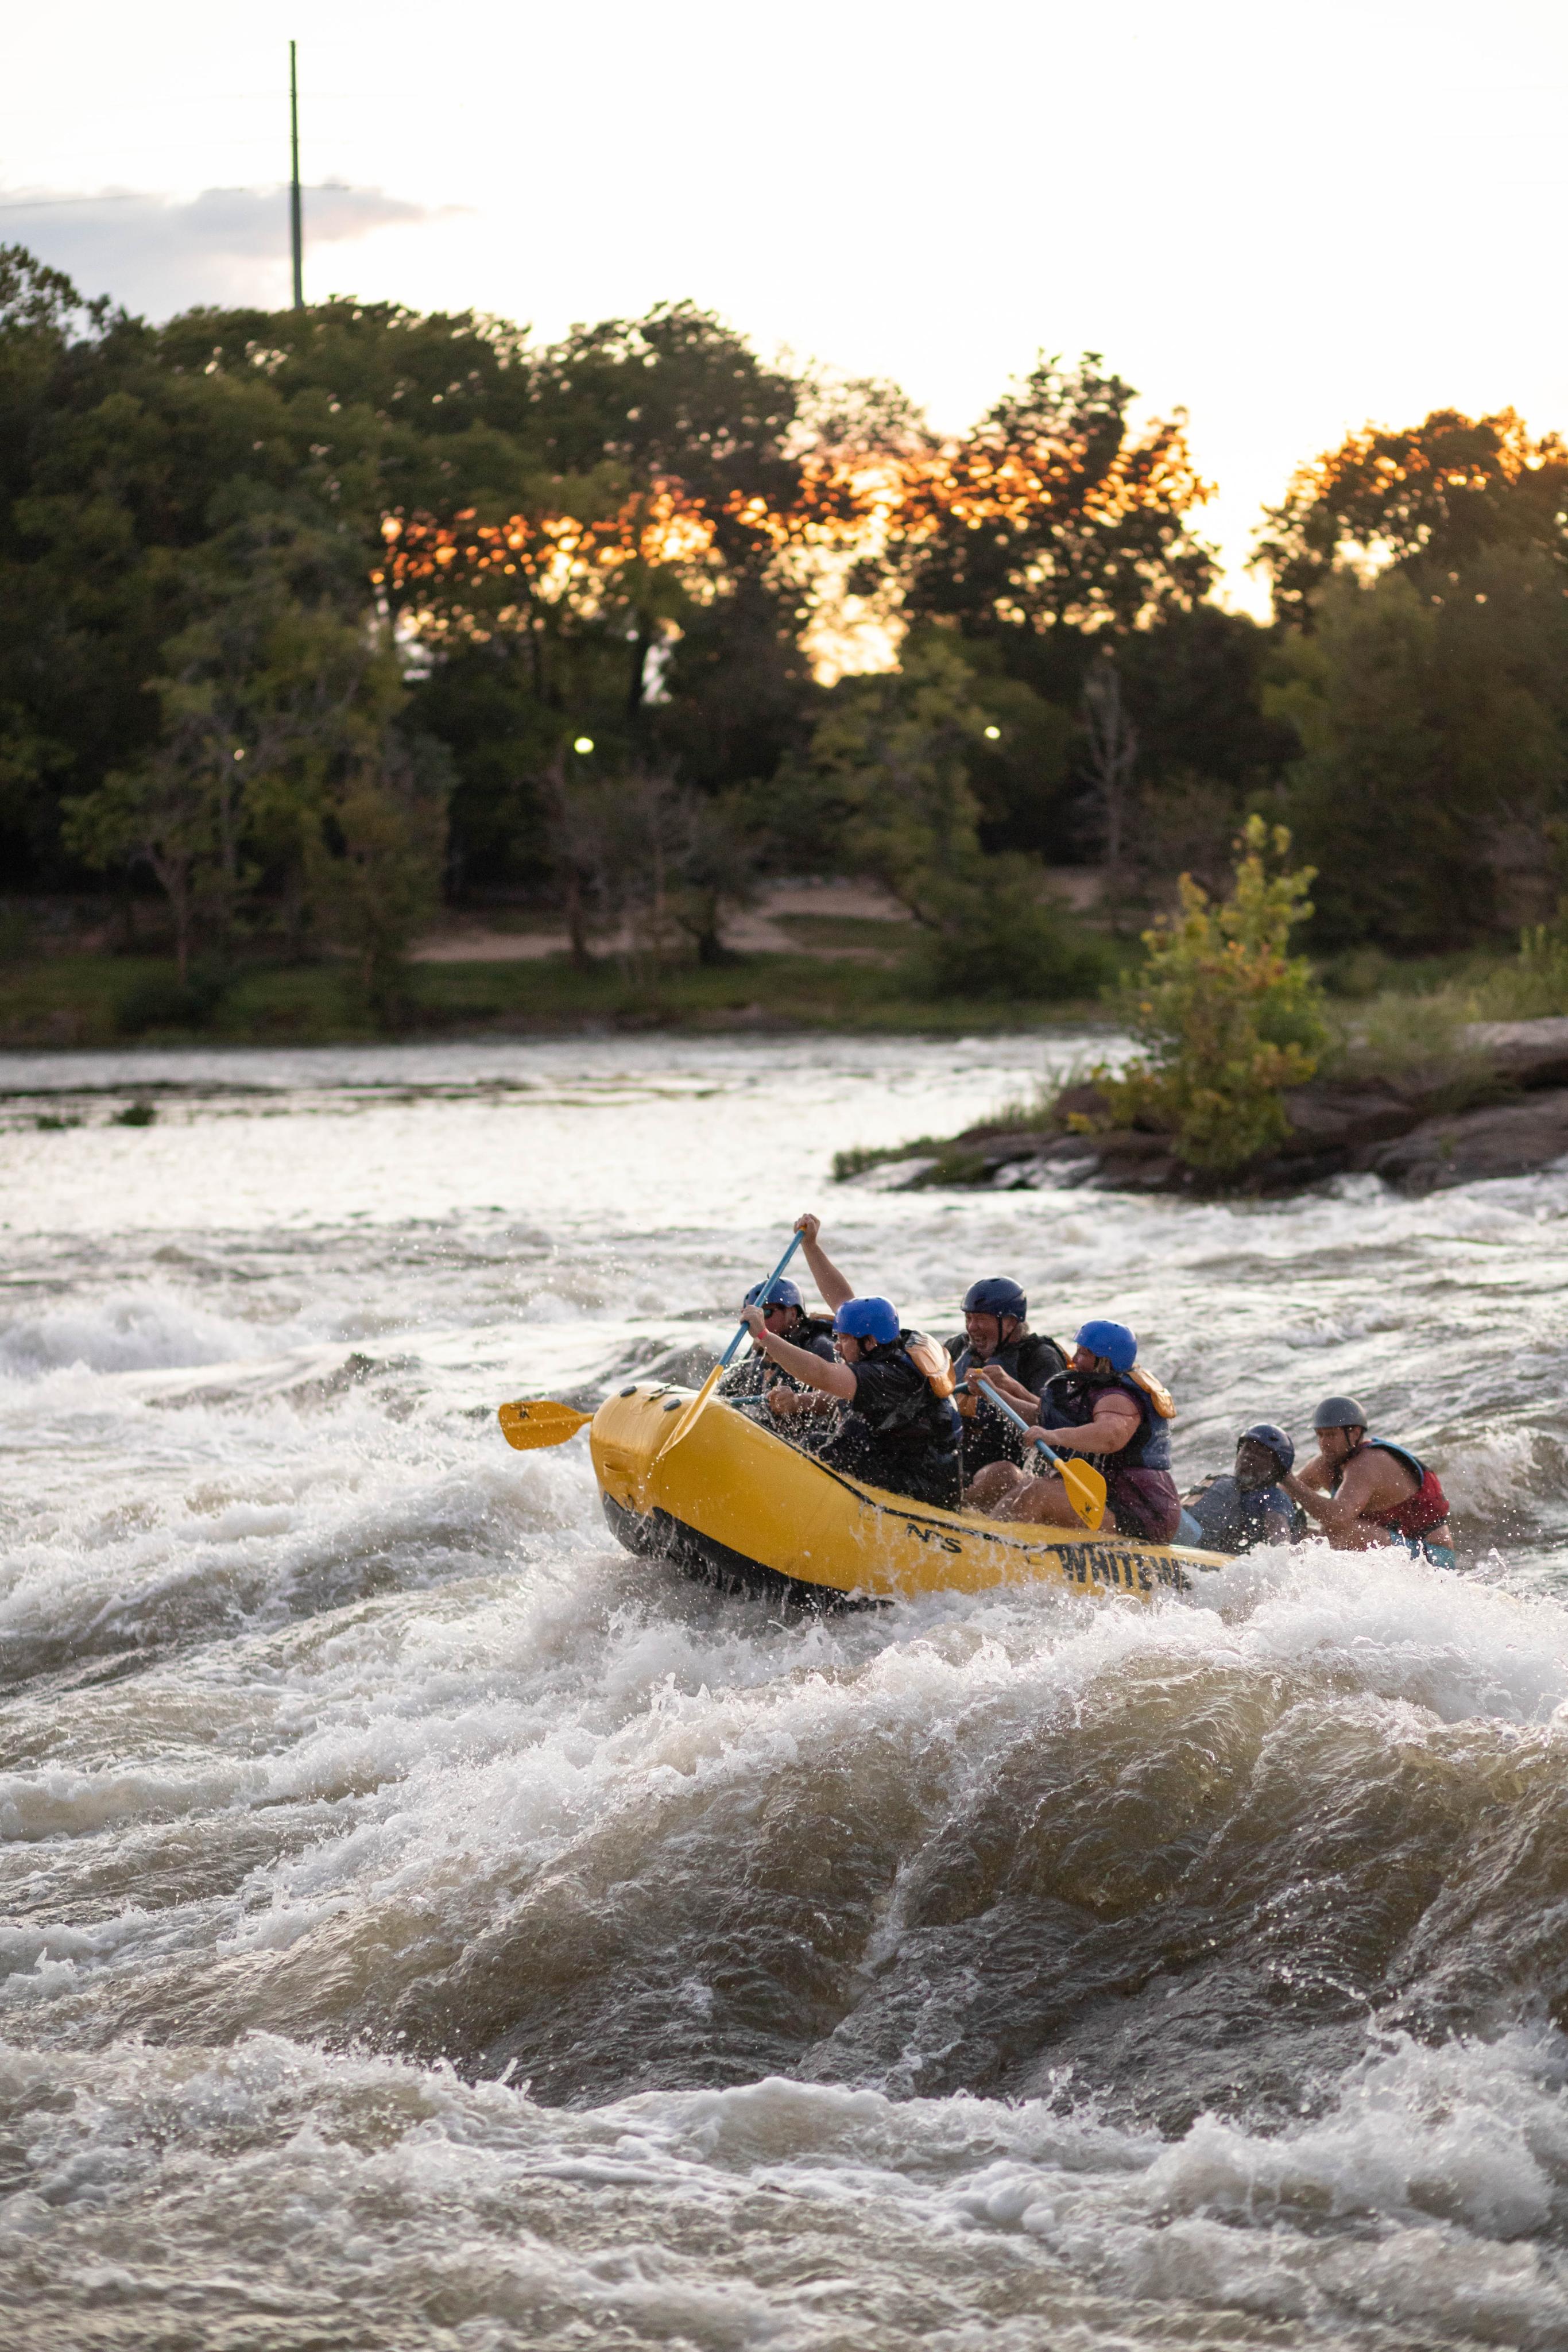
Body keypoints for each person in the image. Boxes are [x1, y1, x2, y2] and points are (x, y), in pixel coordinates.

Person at [736, 1213, 964, 1507]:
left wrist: (765, 1335)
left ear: (869, 1342)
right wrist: (811, 1246)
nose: (838, 1347)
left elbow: (822, 1374)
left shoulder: (888, 1375)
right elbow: (843, 1301)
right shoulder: (886, 1341)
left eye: (844, 1339)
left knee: (830, 1453)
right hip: (897, 1459)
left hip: (924, 1489)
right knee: (821, 1444)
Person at [963, 1319, 1182, 1542]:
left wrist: (1053, 1437)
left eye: (1083, 1353)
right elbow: (1042, 1419)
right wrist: (994, 1395)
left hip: (1135, 1511)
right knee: (1002, 1474)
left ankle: (986, 1551)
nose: (1075, 1359)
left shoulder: (1119, 1399)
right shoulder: (1088, 1387)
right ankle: (954, 1533)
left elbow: (1110, 1437)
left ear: (1103, 1361)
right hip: (1094, 1497)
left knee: (1036, 1494)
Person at [1283, 1396, 1455, 1568]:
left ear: (1355, 1433)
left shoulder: (1370, 1462)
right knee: (1297, 1539)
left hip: (1431, 1559)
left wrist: (1287, 1478)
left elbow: (1338, 1517)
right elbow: (1282, 1494)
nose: (1324, 1443)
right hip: (1389, 1550)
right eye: (1320, 1435)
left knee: (1338, 1531)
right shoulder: (1324, 1466)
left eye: (1331, 1435)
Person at [946, 1278, 1067, 1484]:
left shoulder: (1040, 1358)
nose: (972, 1327)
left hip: (1014, 1469)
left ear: (1010, 1323)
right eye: (969, 1318)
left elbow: (1058, 1423)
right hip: (960, 1461)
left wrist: (1012, 1388)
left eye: (981, 1319)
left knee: (1002, 1473)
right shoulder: (957, 1347)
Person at [1180, 1424, 1301, 1553]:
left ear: (1276, 1469)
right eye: (1247, 1449)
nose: (1249, 1456)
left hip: (1214, 1557)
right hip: (1183, 1542)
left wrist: (1282, 1554)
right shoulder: (1220, 1480)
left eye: (1261, 1454)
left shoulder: (1274, 1498)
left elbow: (1280, 1539)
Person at [719, 1278, 835, 1404]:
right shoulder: (759, 1353)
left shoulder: (821, 1346)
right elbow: (724, 1397)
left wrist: (798, 1402)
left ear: (792, 1313)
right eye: (752, 1314)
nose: (758, 1320)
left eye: (766, 1313)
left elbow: (841, 1397)